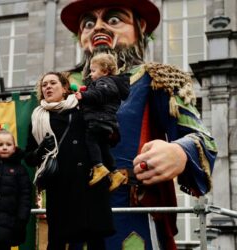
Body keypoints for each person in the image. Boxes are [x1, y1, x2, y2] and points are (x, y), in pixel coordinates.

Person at [60, 0, 218, 249]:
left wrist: (179, 152)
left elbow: (202, 138)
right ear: (81, 36)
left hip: (130, 212)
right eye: (88, 23)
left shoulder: (157, 78)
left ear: (140, 27)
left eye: (113, 20)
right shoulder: (60, 85)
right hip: (71, 210)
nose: (98, 28)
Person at [25, 71, 114, 250]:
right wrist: (42, 148)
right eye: (44, 85)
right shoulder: (37, 119)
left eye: (53, 83)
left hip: (89, 185)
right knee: (57, 241)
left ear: (65, 88)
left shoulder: (83, 110)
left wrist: (109, 169)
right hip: (60, 189)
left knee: (95, 240)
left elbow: (104, 140)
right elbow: (29, 158)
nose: (47, 87)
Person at [75, 53, 129, 189]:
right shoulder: (109, 83)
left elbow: (99, 95)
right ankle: (115, 173)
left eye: (93, 71)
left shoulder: (104, 82)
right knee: (104, 148)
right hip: (105, 121)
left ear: (104, 71)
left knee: (90, 140)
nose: (90, 75)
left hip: (99, 120)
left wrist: (83, 95)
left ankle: (98, 167)